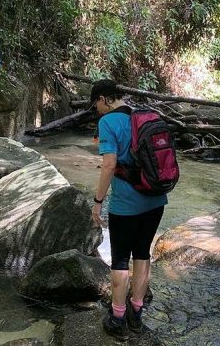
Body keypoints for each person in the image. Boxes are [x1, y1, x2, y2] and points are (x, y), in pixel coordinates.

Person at [90, 79, 168, 340]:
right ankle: (137, 313)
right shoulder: (144, 116)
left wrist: (98, 201)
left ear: (103, 99)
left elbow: (110, 164)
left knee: (121, 259)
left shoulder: (107, 122)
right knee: (143, 254)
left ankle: (118, 317)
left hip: (126, 204)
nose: (97, 110)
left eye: (96, 104)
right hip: (156, 200)